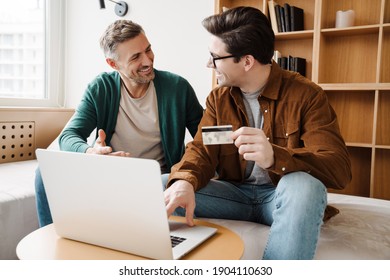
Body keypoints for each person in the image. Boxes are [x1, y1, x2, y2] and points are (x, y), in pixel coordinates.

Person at [164, 6, 352, 260]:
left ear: (247, 61)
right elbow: (203, 149)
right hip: (233, 197)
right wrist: (185, 180)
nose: (208, 64)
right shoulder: (220, 99)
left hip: (280, 199)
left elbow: (338, 168)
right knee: (161, 183)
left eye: (215, 56)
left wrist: (276, 157)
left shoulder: (306, 96)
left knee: (305, 188)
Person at [35, 19, 204, 227]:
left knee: (166, 183)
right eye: (136, 57)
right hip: (111, 178)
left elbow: (204, 135)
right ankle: (53, 246)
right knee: (44, 174)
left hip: (157, 181)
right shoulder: (101, 88)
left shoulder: (177, 87)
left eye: (148, 50)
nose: (148, 61)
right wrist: (91, 153)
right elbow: (69, 136)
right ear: (113, 64)